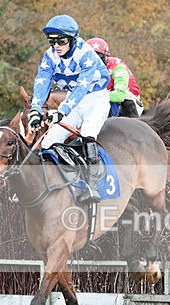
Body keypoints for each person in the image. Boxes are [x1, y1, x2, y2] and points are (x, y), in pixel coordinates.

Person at [27, 14, 111, 203]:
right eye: (52, 41)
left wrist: (62, 112)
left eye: (61, 41)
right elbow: (42, 83)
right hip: (75, 101)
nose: (56, 46)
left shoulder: (86, 54)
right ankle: (53, 183)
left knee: (88, 134)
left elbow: (82, 86)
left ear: (72, 39)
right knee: (49, 141)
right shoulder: (49, 56)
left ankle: (93, 186)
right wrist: (35, 111)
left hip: (96, 99)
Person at [85, 37, 143, 118]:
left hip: (126, 102)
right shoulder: (83, 69)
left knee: (125, 98)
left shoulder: (118, 67)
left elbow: (119, 96)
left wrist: (93, 96)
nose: (95, 63)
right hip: (102, 100)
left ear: (106, 57)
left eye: (99, 58)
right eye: (90, 59)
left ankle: (135, 126)